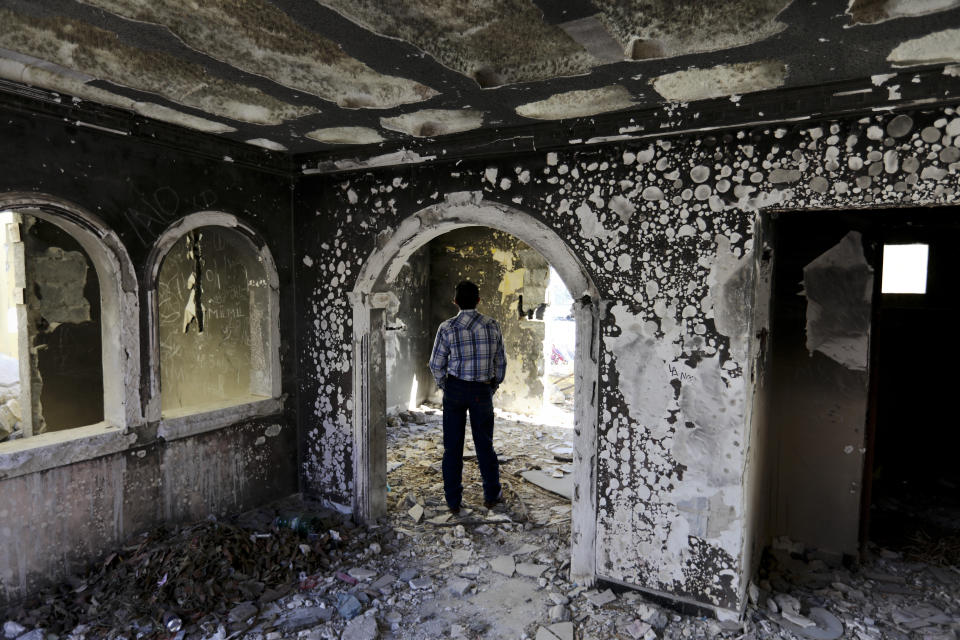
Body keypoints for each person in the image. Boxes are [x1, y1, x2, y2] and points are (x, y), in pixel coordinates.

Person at [428, 280, 506, 514]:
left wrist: (446, 386)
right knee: (485, 445)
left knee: (452, 447)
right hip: (482, 390)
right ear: (478, 301)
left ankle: (453, 501)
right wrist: (491, 386)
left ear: (455, 302)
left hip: (455, 390)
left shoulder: (447, 327)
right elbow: (500, 363)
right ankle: (491, 495)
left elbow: (436, 364)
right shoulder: (492, 325)